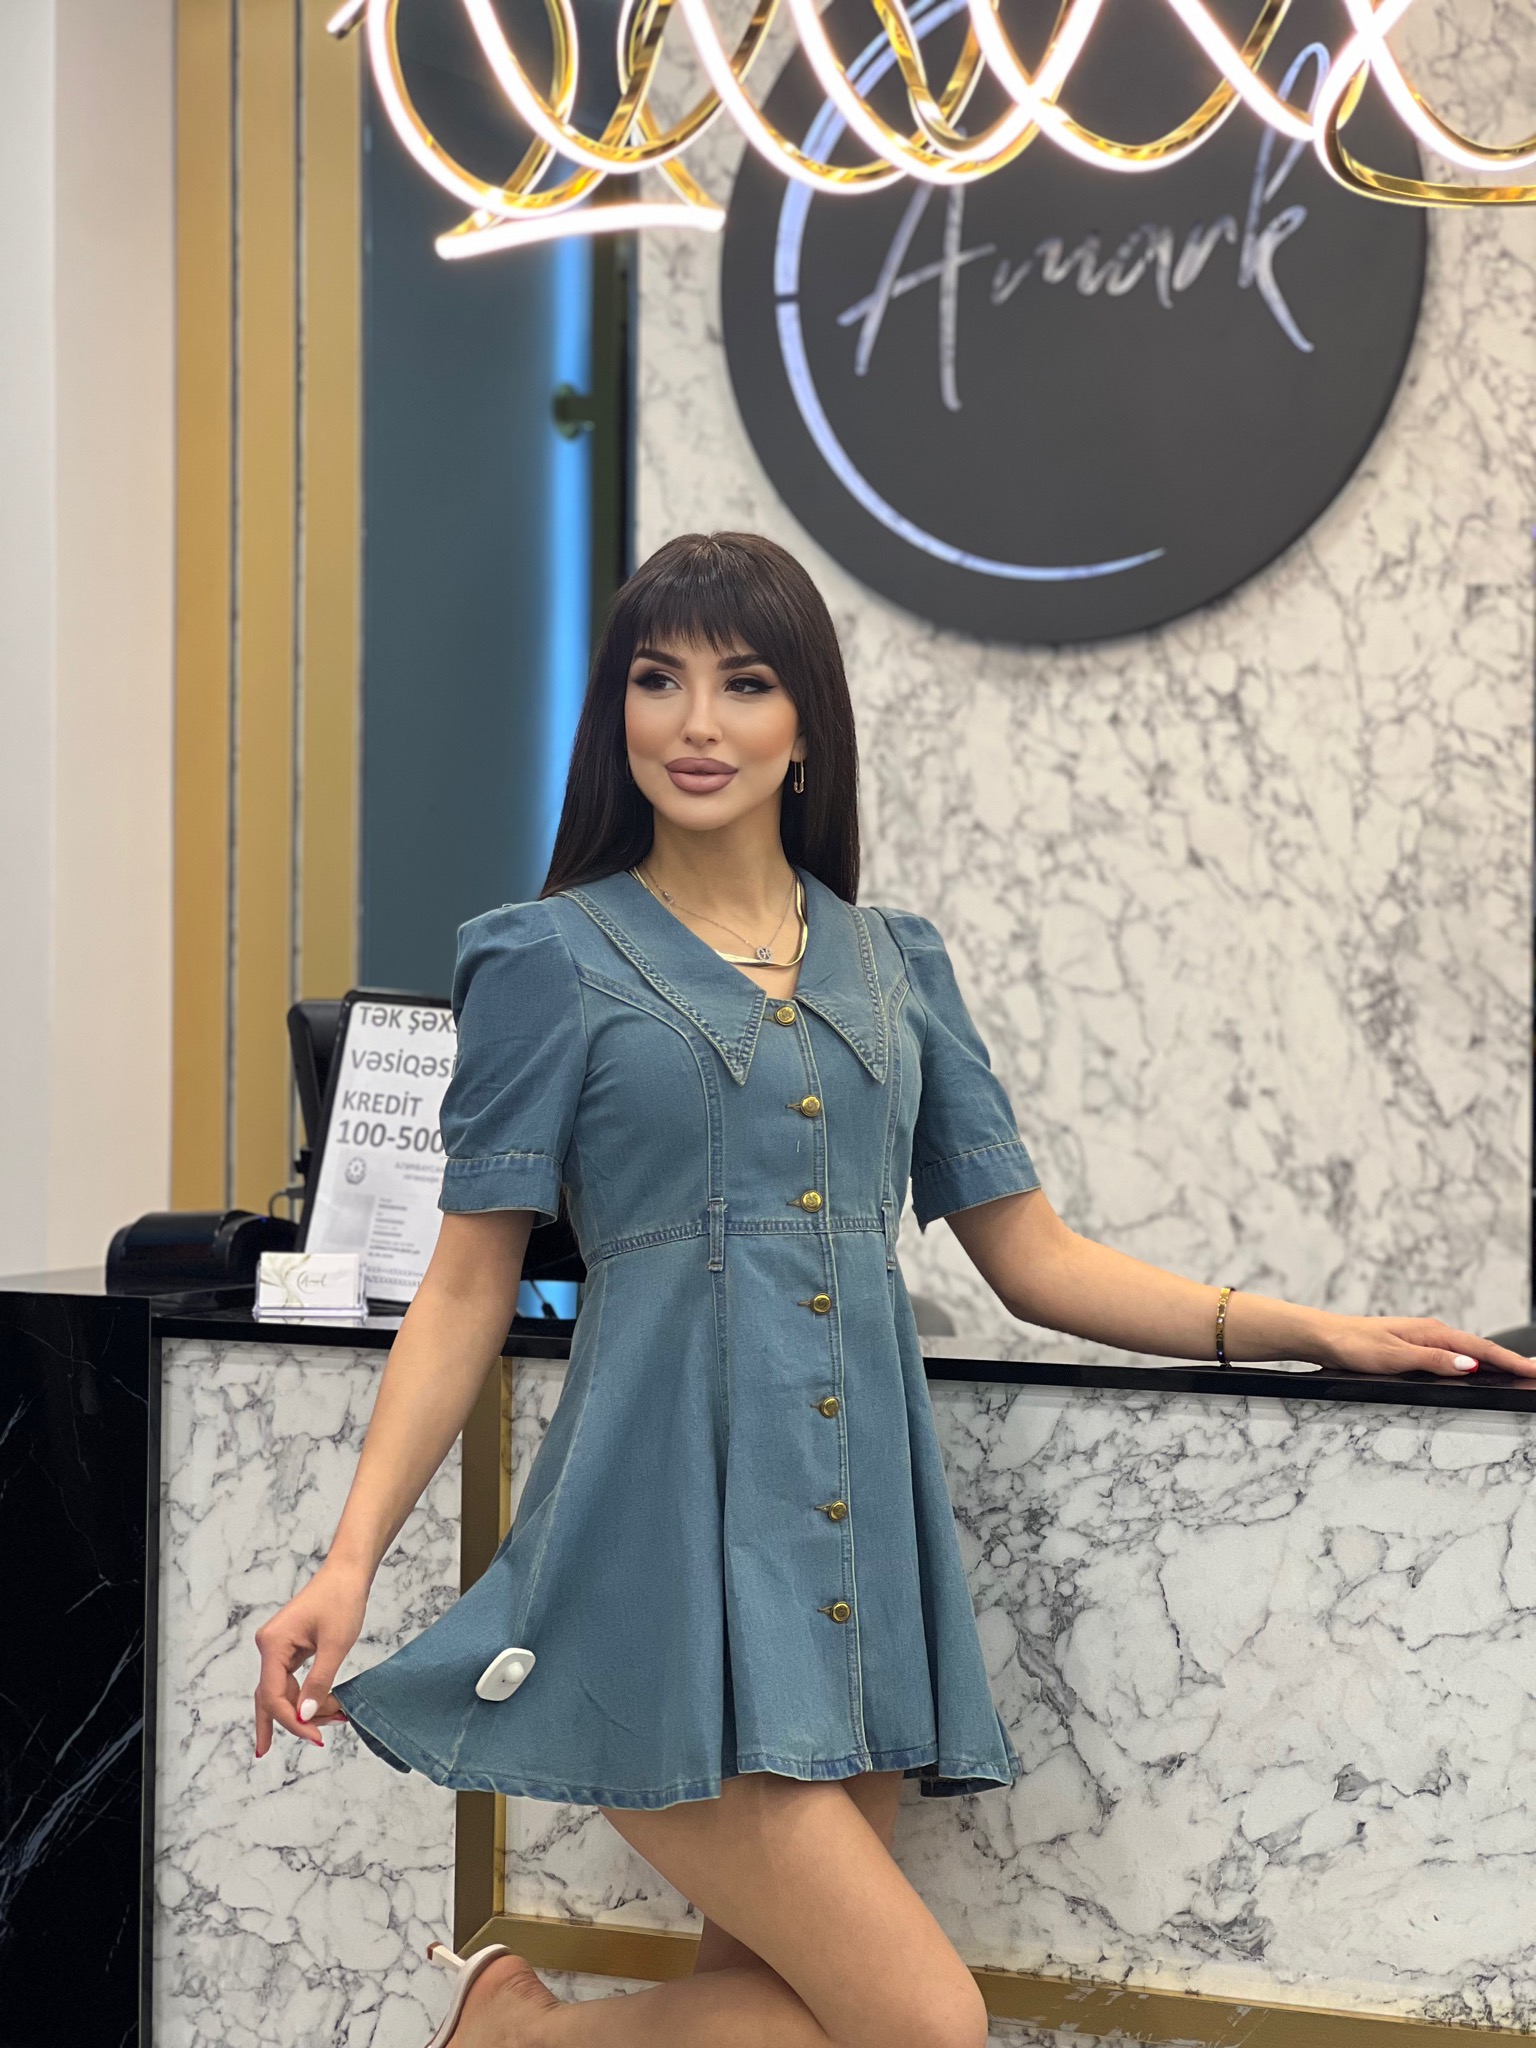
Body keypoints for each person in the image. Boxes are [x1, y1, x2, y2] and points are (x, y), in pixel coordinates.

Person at [253, 532, 1534, 2048]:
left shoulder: (894, 965)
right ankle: (511, 2038)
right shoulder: (547, 959)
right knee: (928, 2026)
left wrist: (1309, 1330)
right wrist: (349, 1561)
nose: (697, 723)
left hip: (847, 1578)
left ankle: (518, 2029)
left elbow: (1036, 1259)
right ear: (616, 714)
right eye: (659, 681)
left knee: (783, 2018)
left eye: (746, 683)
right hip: (649, 1570)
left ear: (807, 728)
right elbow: (466, 1287)